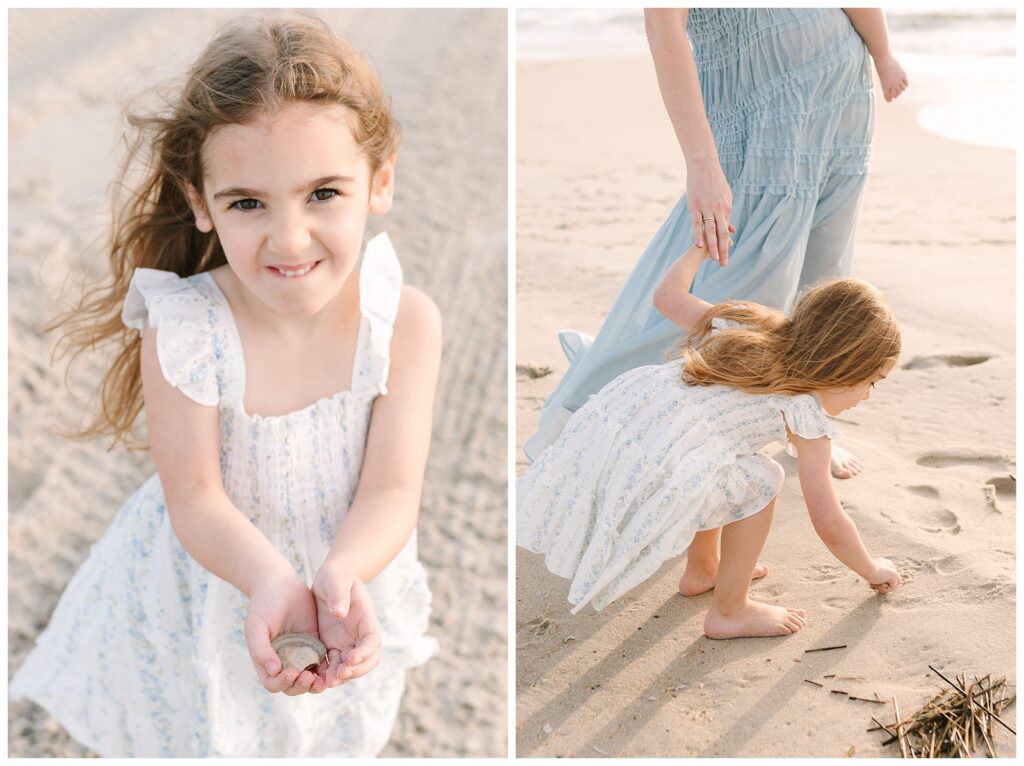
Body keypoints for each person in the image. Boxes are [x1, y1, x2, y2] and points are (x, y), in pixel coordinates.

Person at [9, 15, 441, 757]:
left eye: (322, 194)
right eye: (248, 202)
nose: (290, 237)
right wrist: (271, 578)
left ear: (381, 181)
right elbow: (196, 498)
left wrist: (341, 572)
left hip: (350, 569)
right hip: (216, 582)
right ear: (201, 201)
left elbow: (391, 492)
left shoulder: (401, 320)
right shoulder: (184, 326)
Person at [526, 8, 908, 479]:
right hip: (759, 99)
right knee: (743, 285)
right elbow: (662, 25)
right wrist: (702, 165)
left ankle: (805, 425)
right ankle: (593, 415)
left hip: (842, 85)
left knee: (823, 264)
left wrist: (883, 52)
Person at [518, 241, 901, 638]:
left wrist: (698, 251)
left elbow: (668, 299)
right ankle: (729, 611)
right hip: (665, 463)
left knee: (721, 465)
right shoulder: (805, 415)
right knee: (760, 480)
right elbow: (827, 519)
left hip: (634, 426)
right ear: (844, 366)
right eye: (871, 380)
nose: (868, 395)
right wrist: (872, 568)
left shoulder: (753, 326)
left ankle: (703, 569)